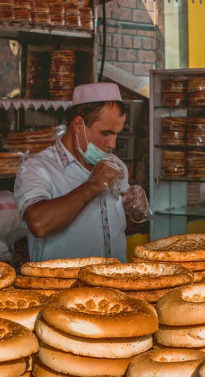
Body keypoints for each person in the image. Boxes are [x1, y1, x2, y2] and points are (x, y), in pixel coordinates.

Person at [14, 83, 148, 262]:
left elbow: (115, 227)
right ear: (78, 124)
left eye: (116, 134)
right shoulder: (37, 169)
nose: (112, 144)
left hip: (114, 277)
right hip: (65, 280)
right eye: (106, 133)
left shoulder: (115, 166)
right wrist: (92, 185)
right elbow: (38, 224)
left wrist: (134, 210)